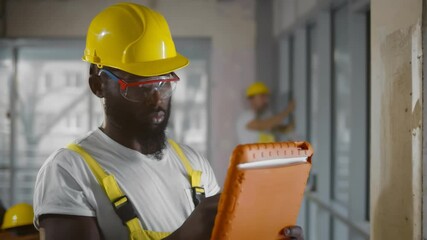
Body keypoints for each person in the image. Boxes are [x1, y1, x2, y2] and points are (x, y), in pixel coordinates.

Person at [33, 3, 304, 240]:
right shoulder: (70, 171)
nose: (156, 98)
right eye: (138, 84)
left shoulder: (194, 165)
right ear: (98, 85)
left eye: (164, 82)